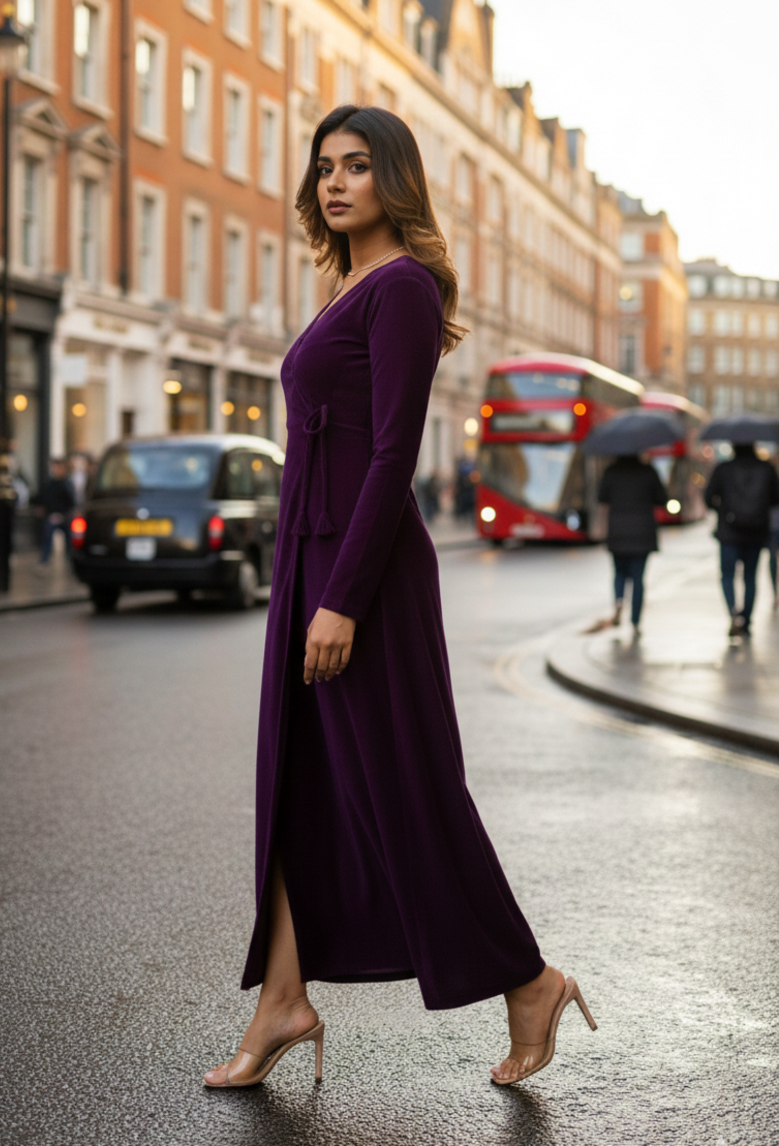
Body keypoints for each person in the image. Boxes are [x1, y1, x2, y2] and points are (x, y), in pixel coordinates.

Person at [204, 105, 596, 1092]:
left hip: (358, 577)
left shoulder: (403, 291)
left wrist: (338, 598)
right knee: (292, 782)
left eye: (356, 167)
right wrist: (304, 585)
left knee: (406, 787)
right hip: (307, 563)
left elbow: (390, 458)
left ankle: (528, 979)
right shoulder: (345, 283)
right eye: (324, 167)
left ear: (394, 181)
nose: (335, 183)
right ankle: (283, 1000)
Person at [704, 443, 779, 636]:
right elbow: (775, 499)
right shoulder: (767, 468)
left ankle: (733, 613)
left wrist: (723, 511)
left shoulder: (723, 469)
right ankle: (746, 620)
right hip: (756, 532)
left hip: (729, 532)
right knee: (750, 577)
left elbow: (708, 497)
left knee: (727, 575)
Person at [598, 454, 668, 635]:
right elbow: (662, 498)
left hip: (618, 531)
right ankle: (635, 620)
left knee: (619, 573)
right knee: (638, 578)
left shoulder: (611, 471)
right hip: (642, 532)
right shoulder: (648, 471)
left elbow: (602, 497)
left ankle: (619, 601)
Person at [34, 458, 75, 568]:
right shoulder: (49, 484)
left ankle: (71, 561)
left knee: (69, 540)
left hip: (65, 517)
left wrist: (63, 515)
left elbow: (71, 502)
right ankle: (44, 560)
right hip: (51, 515)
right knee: (47, 535)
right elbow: (42, 498)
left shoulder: (67, 484)